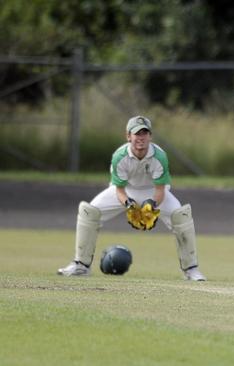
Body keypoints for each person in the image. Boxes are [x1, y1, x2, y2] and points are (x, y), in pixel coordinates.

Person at [57, 116, 207, 281]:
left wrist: (152, 204)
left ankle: (191, 269)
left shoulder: (159, 156)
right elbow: (119, 190)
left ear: (150, 136)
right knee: (89, 212)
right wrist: (129, 204)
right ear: (128, 136)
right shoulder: (119, 156)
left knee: (181, 216)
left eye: (144, 133)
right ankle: (80, 265)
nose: (140, 138)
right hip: (125, 191)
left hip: (154, 192)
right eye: (136, 134)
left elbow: (160, 190)